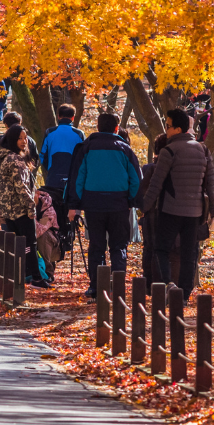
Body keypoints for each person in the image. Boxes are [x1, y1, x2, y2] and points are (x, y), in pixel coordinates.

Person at [142, 107, 214, 301]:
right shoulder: (203, 150)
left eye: (168, 126)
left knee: (161, 249)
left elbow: (156, 184)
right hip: (195, 212)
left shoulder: (169, 151)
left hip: (171, 210)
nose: (166, 130)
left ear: (177, 129)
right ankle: (184, 295)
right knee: (189, 254)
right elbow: (210, 183)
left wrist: (144, 206)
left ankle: (169, 283)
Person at [66, 111, 142, 301]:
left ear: (98, 127)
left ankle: (96, 287)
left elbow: (78, 178)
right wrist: (132, 201)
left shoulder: (86, 148)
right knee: (118, 247)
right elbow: (136, 179)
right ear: (116, 128)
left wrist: (74, 205)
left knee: (96, 247)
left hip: (93, 204)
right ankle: (118, 288)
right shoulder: (125, 150)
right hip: (119, 204)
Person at [0, 126, 50, 287]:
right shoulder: (15, 160)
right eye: (20, 138)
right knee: (29, 244)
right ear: (12, 139)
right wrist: (31, 207)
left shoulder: (5, 158)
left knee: (19, 244)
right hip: (20, 209)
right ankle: (36, 277)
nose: (24, 141)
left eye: (25, 138)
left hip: (9, 209)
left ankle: (23, 275)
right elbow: (22, 187)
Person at [39, 103, 85, 248]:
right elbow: (83, 158)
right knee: (70, 208)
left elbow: (43, 156)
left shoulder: (50, 132)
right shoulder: (79, 134)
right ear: (73, 117)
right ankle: (69, 238)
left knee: (54, 209)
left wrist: (50, 170)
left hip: (53, 178)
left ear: (58, 116)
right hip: (72, 180)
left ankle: (55, 240)